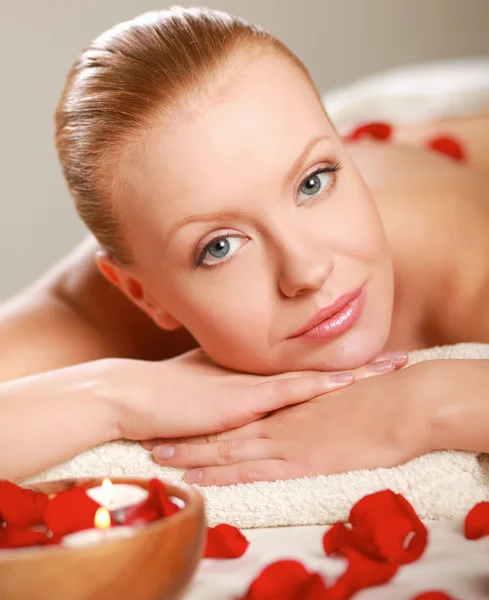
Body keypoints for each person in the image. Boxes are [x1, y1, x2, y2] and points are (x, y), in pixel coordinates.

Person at [1, 7, 489, 485]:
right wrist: (111, 398)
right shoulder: (103, 299)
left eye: (315, 183)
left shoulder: (457, 266)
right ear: (142, 293)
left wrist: (424, 405)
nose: (307, 270)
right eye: (219, 248)